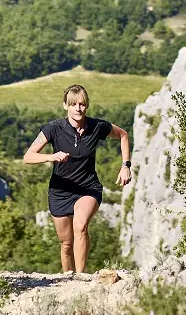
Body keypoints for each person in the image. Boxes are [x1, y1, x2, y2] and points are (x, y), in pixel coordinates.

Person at [22, 83, 131, 274]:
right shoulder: (53, 128)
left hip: (88, 188)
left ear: (86, 105)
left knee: (80, 227)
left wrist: (125, 165)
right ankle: (68, 278)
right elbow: (28, 157)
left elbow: (123, 135)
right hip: (60, 191)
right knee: (66, 243)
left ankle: (81, 277)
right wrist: (51, 157)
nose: (78, 108)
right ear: (65, 105)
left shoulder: (97, 126)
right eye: (73, 104)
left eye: (82, 104)